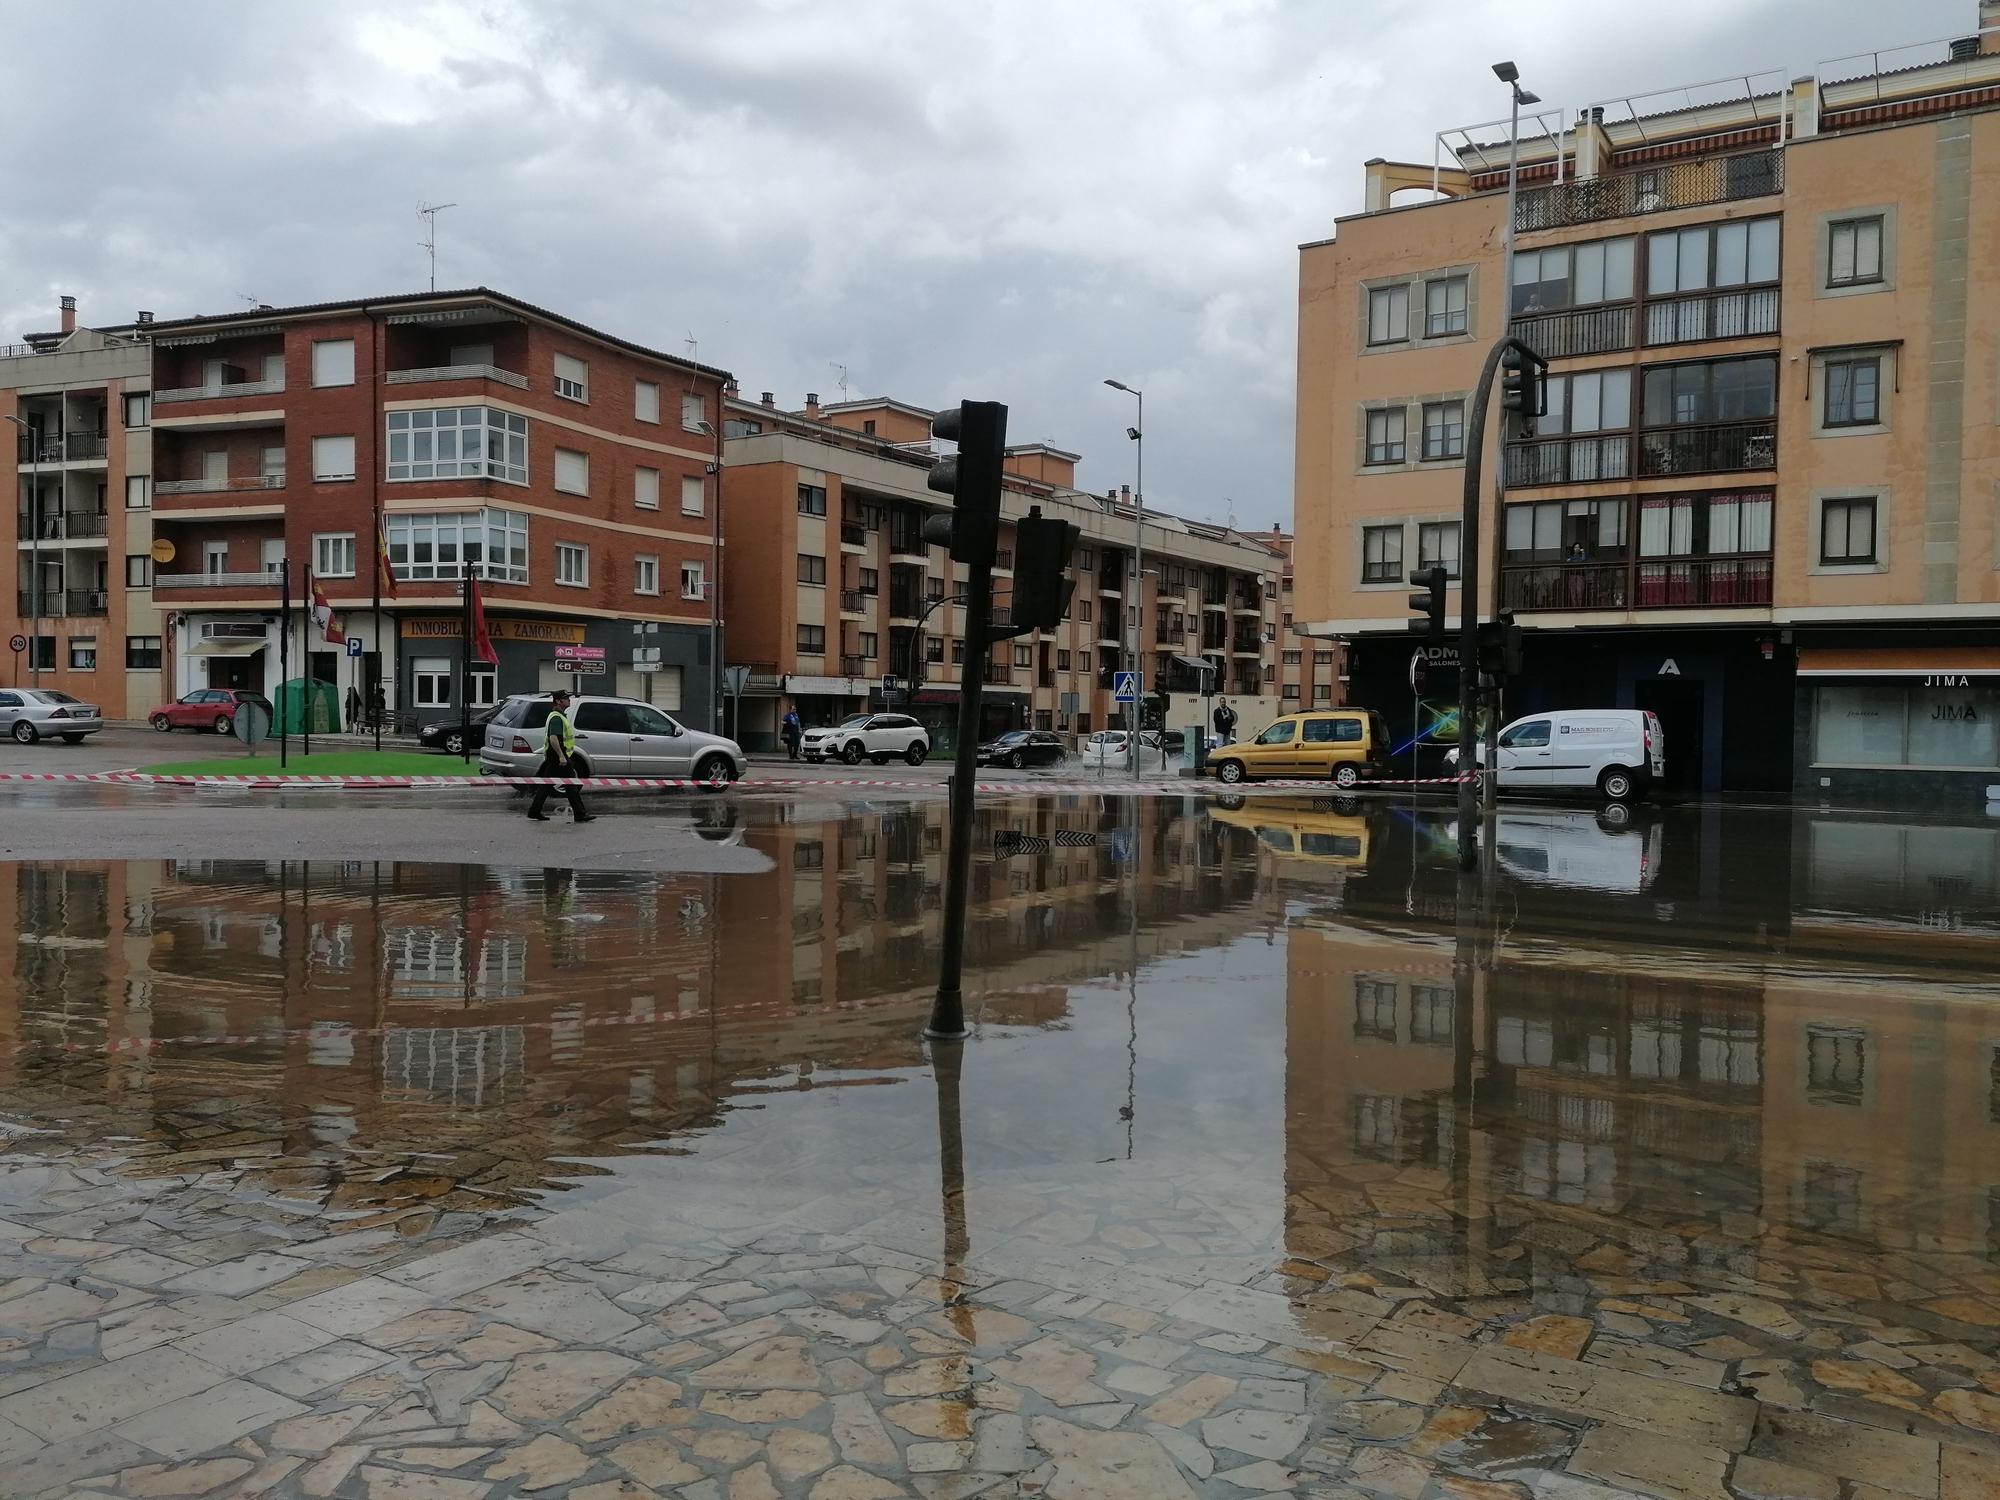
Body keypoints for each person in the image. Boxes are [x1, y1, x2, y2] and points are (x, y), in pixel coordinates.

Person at [527, 690, 595, 823]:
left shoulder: (558, 716)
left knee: (547, 785)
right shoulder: (557, 718)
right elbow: (553, 738)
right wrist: (561, 756)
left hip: (555, 756)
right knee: (571, 785)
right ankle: (580, 814)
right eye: (566, 698)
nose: (568, 700)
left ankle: (534, 811)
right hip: (558, 756)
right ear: (558, 701)